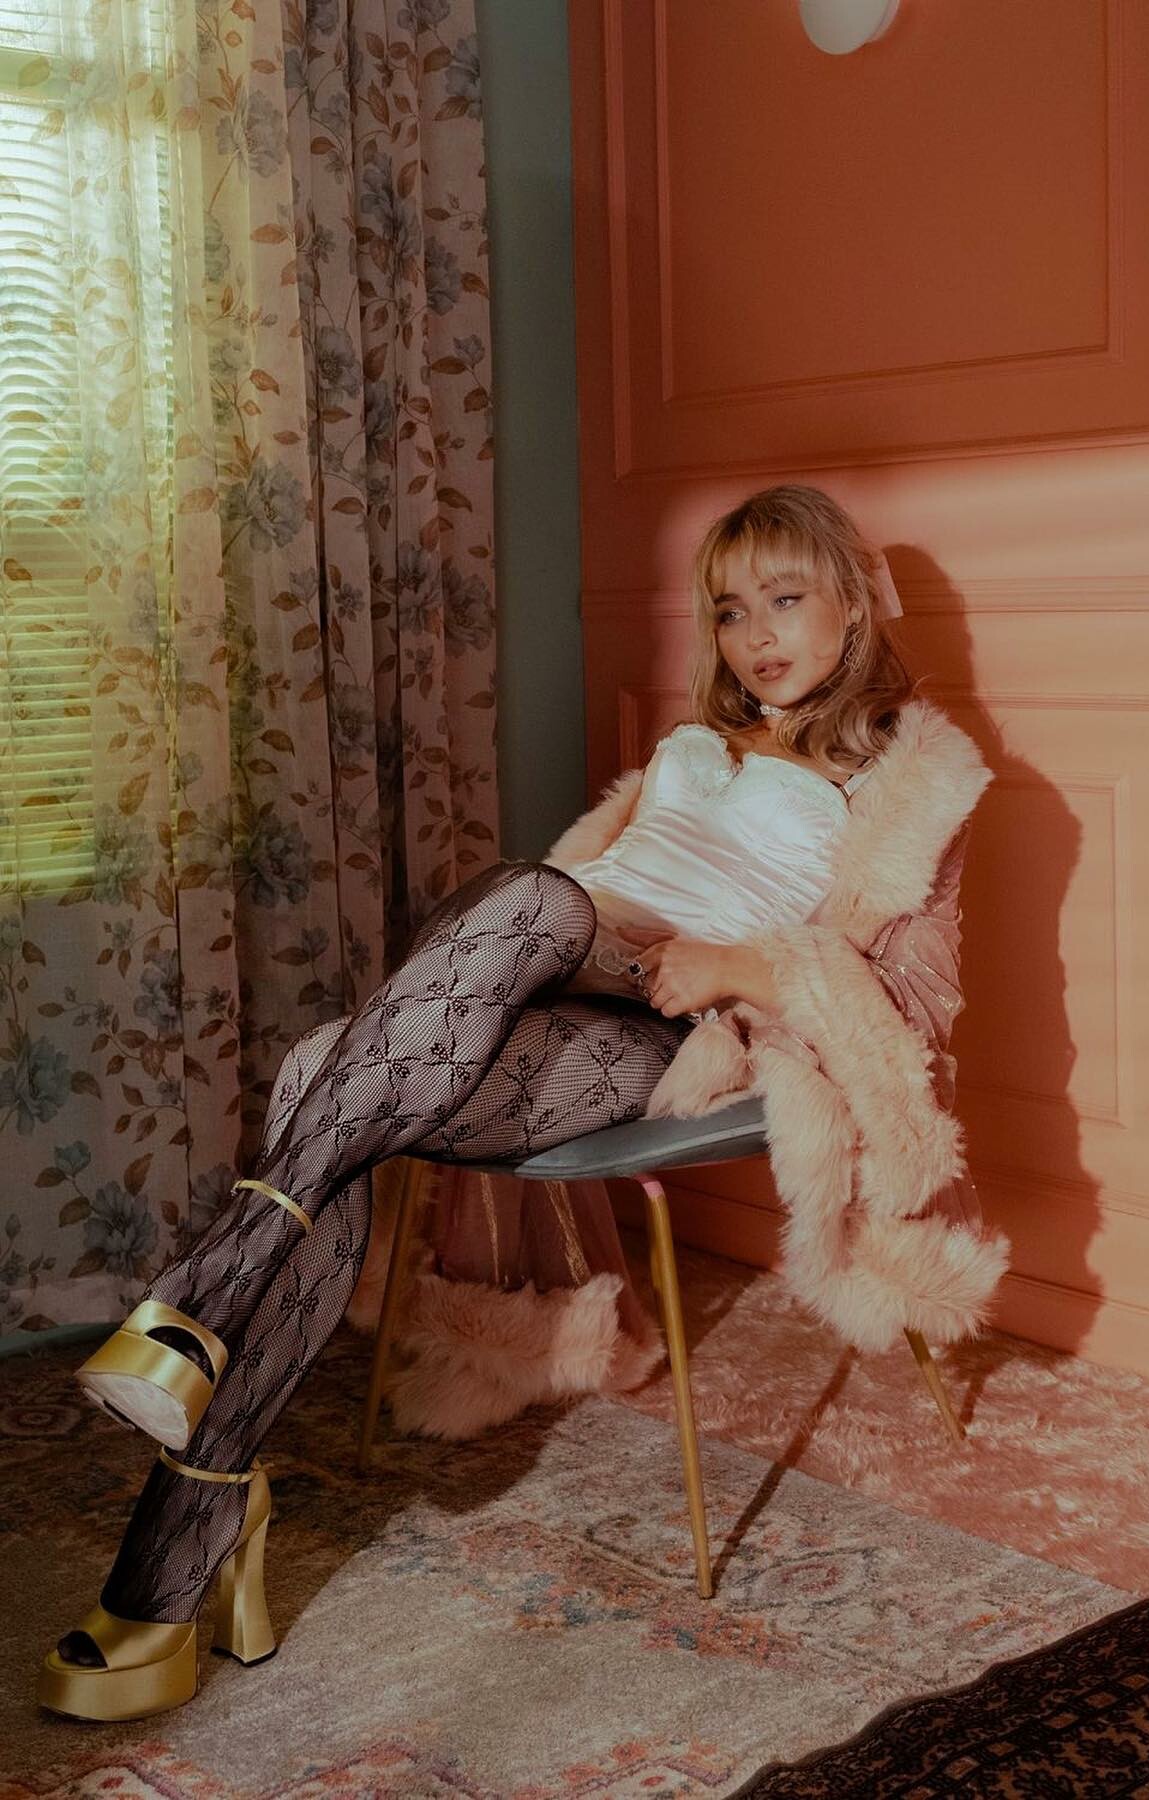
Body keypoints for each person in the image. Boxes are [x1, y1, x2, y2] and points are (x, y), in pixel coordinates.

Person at [37, 482, 937, 1722]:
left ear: (853, 599)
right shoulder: (689, 747)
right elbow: (592, 882)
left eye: (787, 599)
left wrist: (737, 967)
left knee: (515, 915)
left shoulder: (901, 772)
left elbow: (909, 998)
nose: (757, 635)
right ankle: (189, 1526)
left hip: (662, 1024)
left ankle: (204, 1311)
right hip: (544, 973)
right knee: (335, 1055)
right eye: (732, 611)